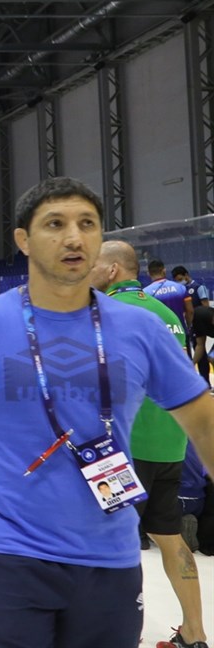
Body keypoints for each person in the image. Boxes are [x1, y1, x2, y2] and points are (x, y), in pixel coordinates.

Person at [0, 177, 214, 648]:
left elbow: (202, 418)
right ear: (24, 240)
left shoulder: (141, 328)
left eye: (87, 224)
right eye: (55, 224)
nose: (74, 237)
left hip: (110, 555)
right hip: (9, 551)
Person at [90, 240, 208, 648]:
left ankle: (118, 633)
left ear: (111, 270)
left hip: (128, 446)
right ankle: (195, 633)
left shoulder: (110, 312)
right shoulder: (166, 313)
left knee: (112, 544)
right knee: (169, 536)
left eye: (94, 264)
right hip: (171, 442)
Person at [146, 259, 192, 349]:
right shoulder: (180, 288)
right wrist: (188, 328)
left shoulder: (146, 293)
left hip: (160, 337)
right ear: (164, 270)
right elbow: (190, 311)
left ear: (148, 273)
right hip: (181, 334)